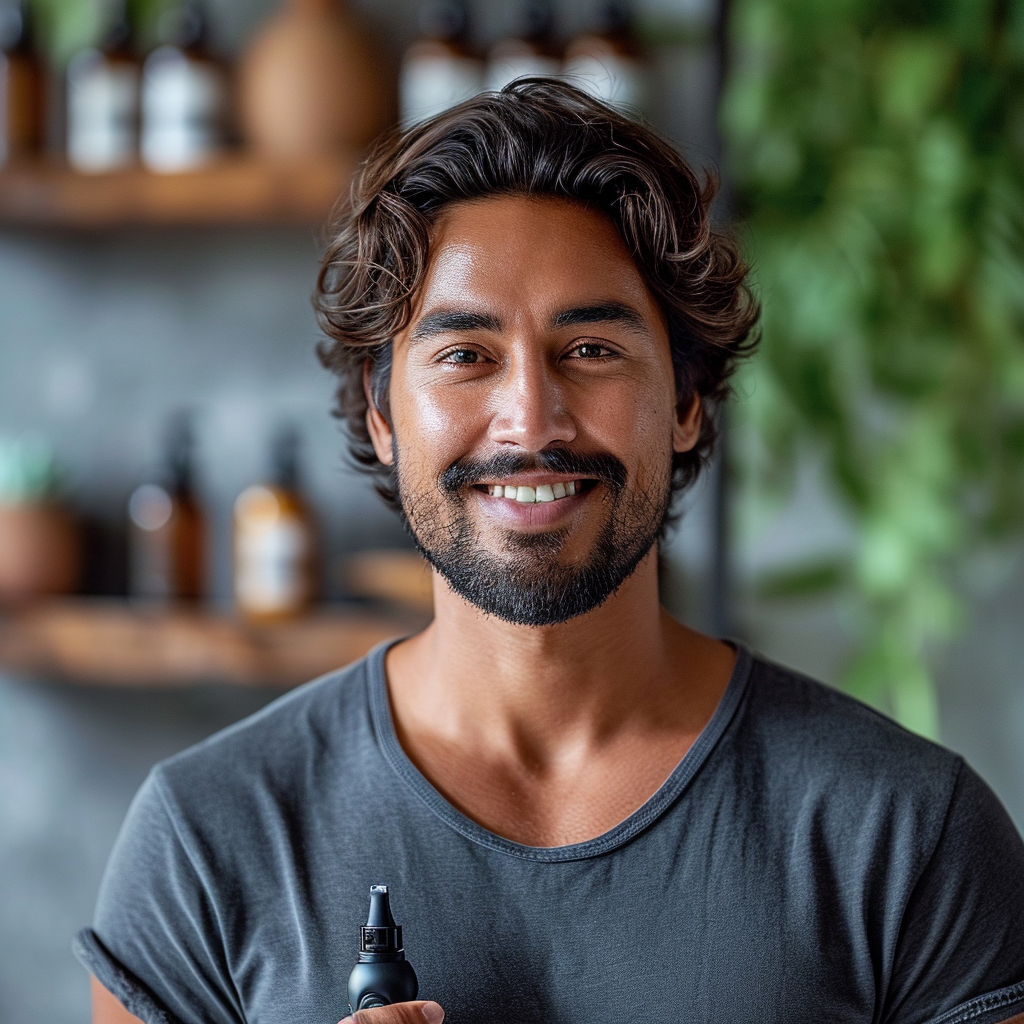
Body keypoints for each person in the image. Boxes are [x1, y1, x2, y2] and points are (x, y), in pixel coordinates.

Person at [79, 80, 1024, 1024]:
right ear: (382, 415)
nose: (531, 418)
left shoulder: (907, 835)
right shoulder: (205, 846)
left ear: (688, 404)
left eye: (591, 350)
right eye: (465, 356)